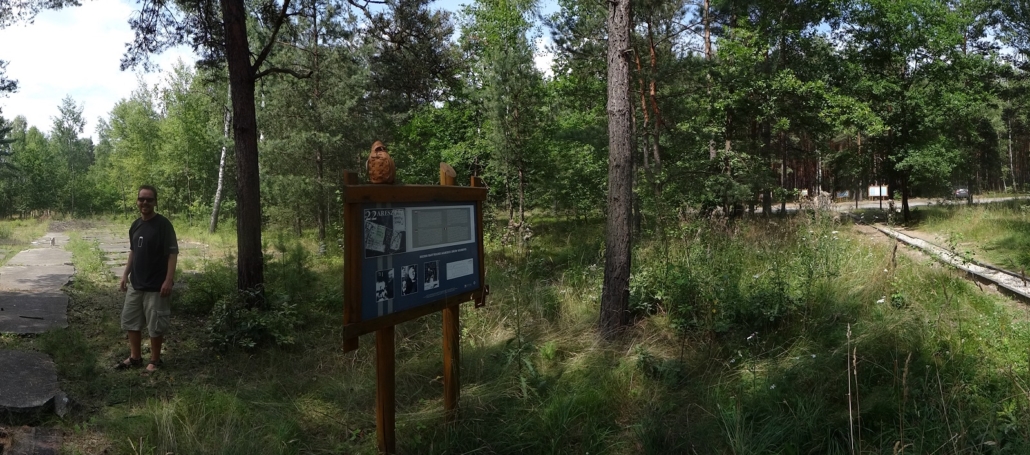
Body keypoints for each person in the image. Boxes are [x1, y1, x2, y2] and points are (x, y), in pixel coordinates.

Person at [115, 185, 178, 373]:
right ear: (137, 201)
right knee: (131, 321)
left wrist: (168, 280)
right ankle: (135, 358)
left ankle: (155, 360)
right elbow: (133, 251)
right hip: (137, 283)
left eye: (149, 199)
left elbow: (172, 254)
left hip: (156, 286)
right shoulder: (135, 225)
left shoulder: (163, 225)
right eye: (141, 199)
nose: (145, 203)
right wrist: (125, 274)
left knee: (155, 325)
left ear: (155, 202)